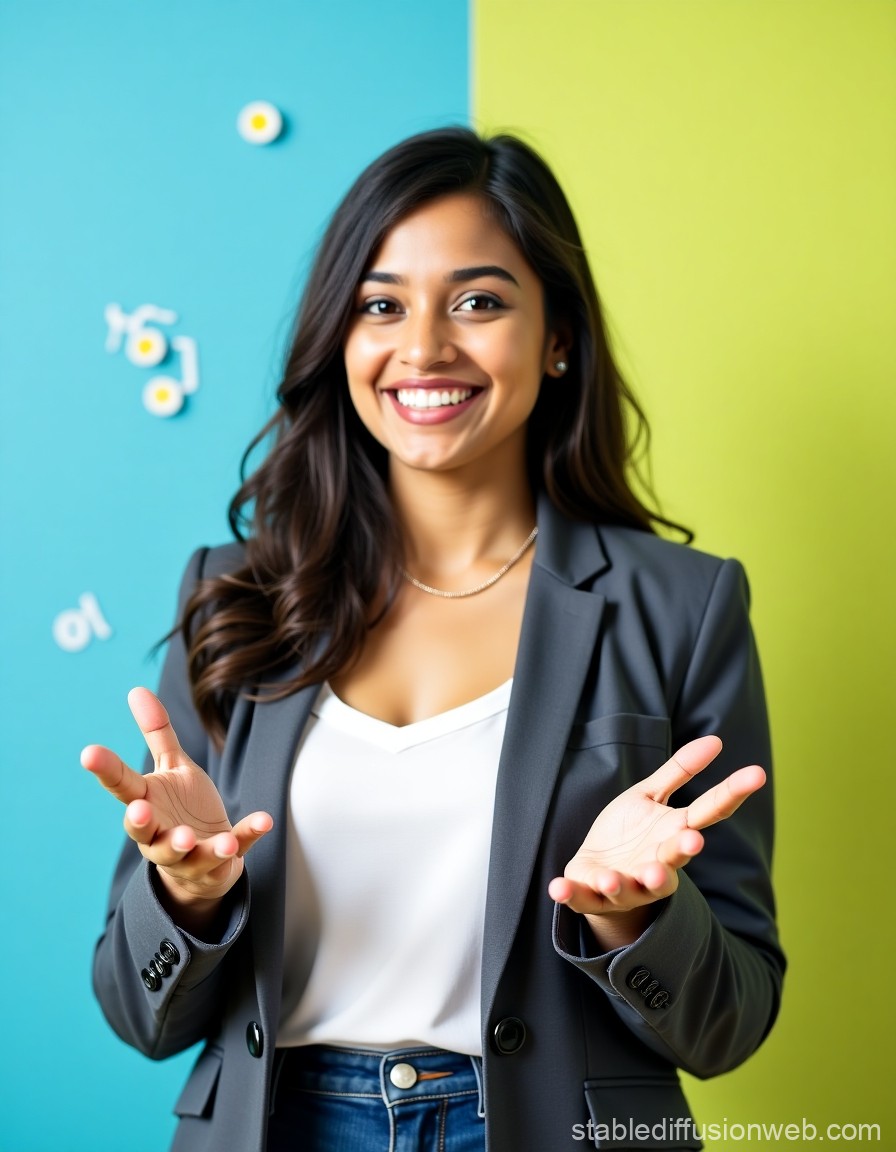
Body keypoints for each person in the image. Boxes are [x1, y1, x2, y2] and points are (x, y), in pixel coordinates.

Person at [83, 127, 784, 1152]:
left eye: (478, 301)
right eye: (380, 305)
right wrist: (185, 899)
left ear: (556, 337)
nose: (422, 347)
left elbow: (730, 1021)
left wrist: (631, 919)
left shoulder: (681, 607)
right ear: (341, 338)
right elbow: (137, 1015)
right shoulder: (237, 599)